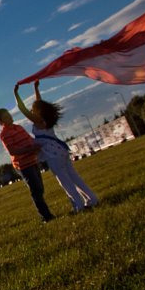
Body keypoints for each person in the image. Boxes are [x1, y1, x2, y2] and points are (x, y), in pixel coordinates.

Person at [14, 81, 98, 213]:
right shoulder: (46, 119)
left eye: (33, 108)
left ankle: (78, 206)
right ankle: (92, 199)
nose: (31, 110)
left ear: (38, 111)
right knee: (75, 178)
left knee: (65, 182)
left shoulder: (38, 120)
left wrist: (16, 93)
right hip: (61, 151)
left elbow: (22, 108)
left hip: (53, 155)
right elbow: (39, 102)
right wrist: (35, 89)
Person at [0, 107, 54, 222]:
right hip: (23, 165)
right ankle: (46, 217)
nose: (9, 117)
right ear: (0, 122)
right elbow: (13, 151)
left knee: (40, 188)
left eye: (9, 114)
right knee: (36, 190)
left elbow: (29, 139)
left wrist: (38, 145)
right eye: (6, 117)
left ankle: (46, 214)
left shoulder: (19, 127)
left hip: (33, 160)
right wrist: (30, 149)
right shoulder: (5, 134)